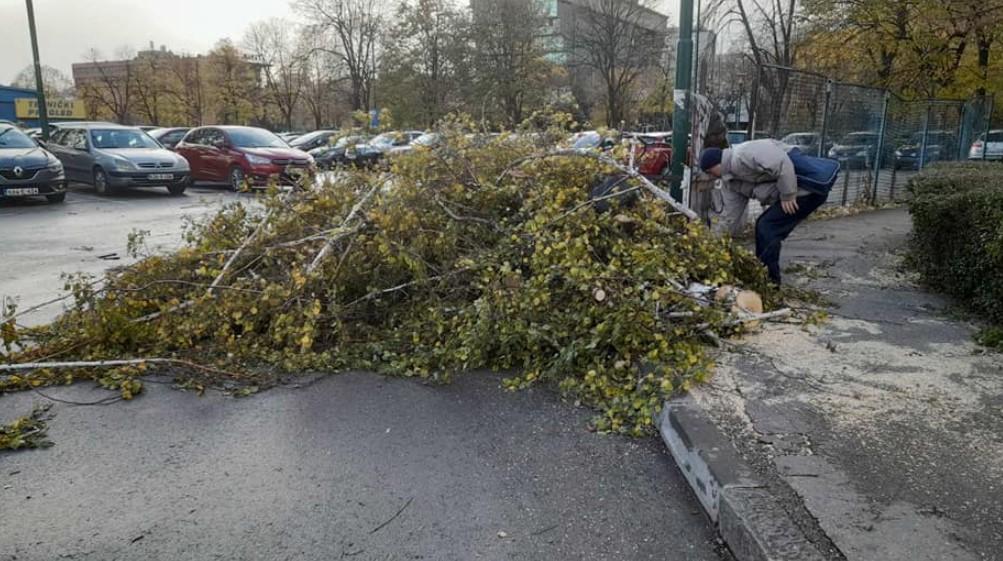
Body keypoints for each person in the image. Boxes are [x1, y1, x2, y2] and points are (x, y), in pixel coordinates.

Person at [700, 140, 838, 284]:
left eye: (710, 172)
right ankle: (764, 276)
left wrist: (788, 194)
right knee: (766, 227)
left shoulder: (743, 154)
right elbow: (729, 216)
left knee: (767, 227)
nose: (711, 176)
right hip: (796, 195)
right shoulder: (730, 183)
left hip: (807, 191)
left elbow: (781, 162)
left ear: (717, 164)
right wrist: (715, 244)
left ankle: (770, 282)